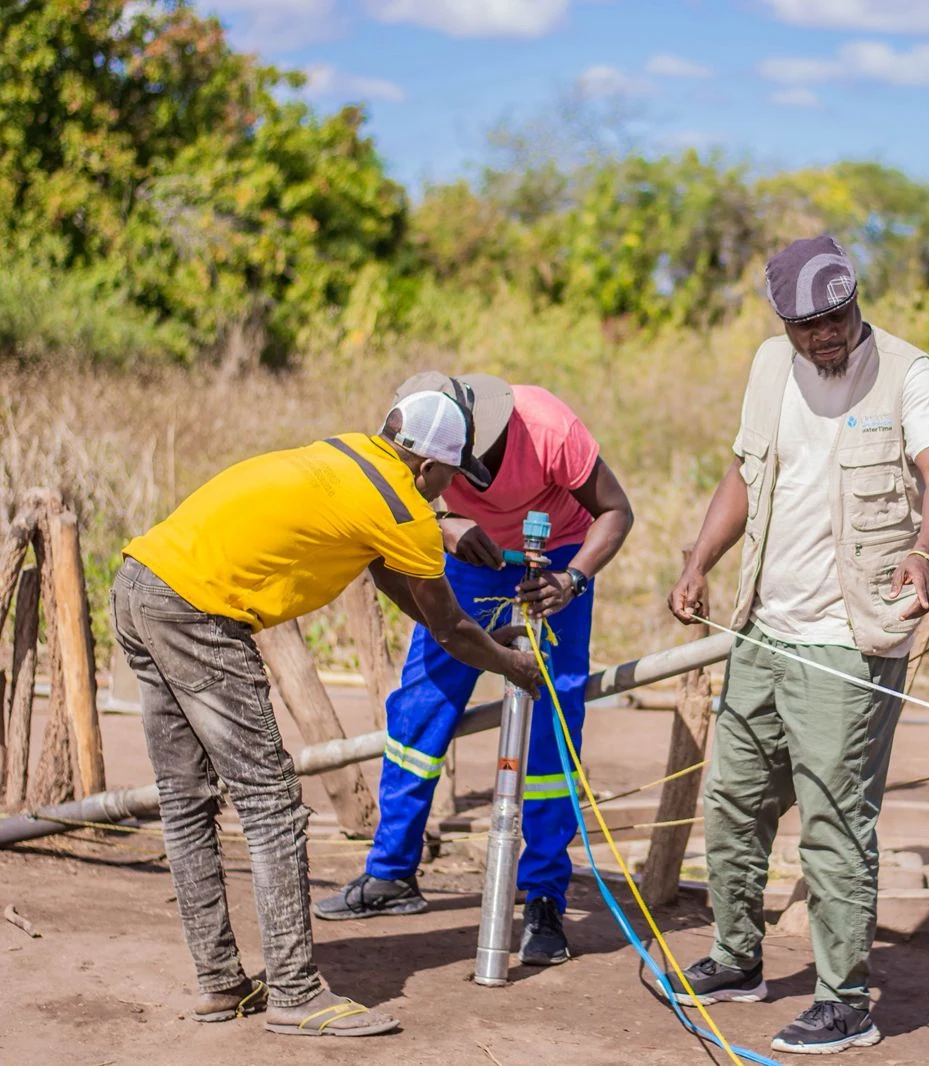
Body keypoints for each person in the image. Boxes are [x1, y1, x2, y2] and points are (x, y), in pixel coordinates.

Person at [114, 387, 542, 1038]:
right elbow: (448, 627)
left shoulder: (348, 454)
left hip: (140, 584)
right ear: (427, 467)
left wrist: (485, 643)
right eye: (451, 477)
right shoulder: (403, 508)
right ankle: (295, 992)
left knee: (186, 799)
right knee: (272, 804)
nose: (451, 490)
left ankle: (219, 981)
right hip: (198, 613)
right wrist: (510, 664)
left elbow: (395, 581)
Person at [666, 235, 929, 1054]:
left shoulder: (907, 373)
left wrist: (926, 550)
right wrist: (699, 562)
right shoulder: (771, 367)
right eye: (807, 326)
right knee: (732, 801)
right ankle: (737, 957)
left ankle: (845, 1003)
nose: (825, 335)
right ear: (783, 324)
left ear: (855, 300)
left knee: (834, 823)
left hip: (847, 641)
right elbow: (744, 473)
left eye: (837, 317)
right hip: (764, 628)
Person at [317, 372, 632, 967]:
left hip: (557, 557)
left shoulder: (550, 429)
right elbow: (393, 502)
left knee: (552, 713)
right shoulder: (421, 427)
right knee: (421, 705)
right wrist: (445, 526)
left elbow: (616, 511)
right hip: (470, 555)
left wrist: (572, 579)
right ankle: (391, 873)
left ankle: (544, 896)